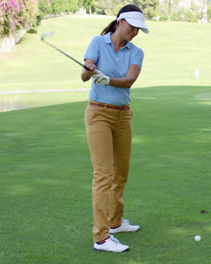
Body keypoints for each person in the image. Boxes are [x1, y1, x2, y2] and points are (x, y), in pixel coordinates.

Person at [81, 4, 149, 253]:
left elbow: (129, 80)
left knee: (120, 173)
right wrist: (89, 71)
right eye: (133, 27)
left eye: (139, 29)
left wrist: (107, 79)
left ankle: (115, 222)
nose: (135, 32)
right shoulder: (98, 43)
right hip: (98, 114)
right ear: (120, 22)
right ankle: (101, 238)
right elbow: (84, 74)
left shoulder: (136, 52)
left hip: (123, 117)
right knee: (103, 175)